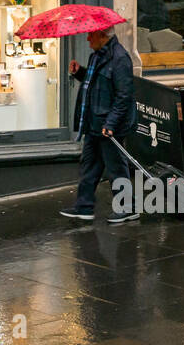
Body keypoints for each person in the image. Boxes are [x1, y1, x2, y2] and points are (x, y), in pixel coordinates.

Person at [59, 26, 137, 224]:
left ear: (103, 36)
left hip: (109, 125)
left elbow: (124, 96)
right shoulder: (97, 56)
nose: (87, 38)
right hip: (94, 121)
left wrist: (111, 123)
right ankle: (84, 207)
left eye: (91, 34)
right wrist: (80, 73)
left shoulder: (120, 58)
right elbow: (95, 83)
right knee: (89, 166)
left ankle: (128, 208)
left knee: (116, 167)